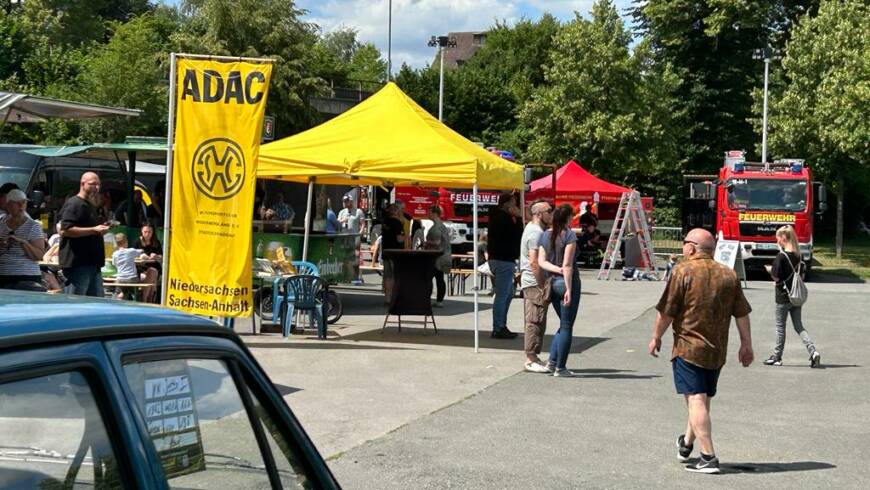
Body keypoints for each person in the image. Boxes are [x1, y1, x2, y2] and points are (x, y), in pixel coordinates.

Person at [649, 228, 754, 474]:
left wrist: (656, 336)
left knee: (695, 399)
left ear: (692, 247)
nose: (683, 247)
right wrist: (746, 343)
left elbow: (667, 311)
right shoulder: (728, 274)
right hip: (717, 351)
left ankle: (707, 456)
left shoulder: (683, 271)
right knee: (701, 399)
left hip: (688, 348)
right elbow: (742, 313)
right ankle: (686, 444)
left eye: (685, 243)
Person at [763, 225, 821, 367]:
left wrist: (770, 270)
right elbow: (801, 274)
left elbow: (776, 277)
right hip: (796, 296)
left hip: (783, 296)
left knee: (780, 327)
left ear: (783, 238)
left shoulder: (781, 256)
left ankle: (777, 357)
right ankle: (813, 351)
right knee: (799, 326)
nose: (776, 241)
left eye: (777, 238)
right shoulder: (798, 255)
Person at [537, 204, 580, 377]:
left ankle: (552, 362)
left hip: (551, 282)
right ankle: (560, 368)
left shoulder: (545, 235)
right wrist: (568, 287)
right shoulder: (569, 235)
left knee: (563, 324)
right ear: (568, 218)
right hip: (566, 282)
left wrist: (555, 269)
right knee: (567, 325)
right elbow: (568, 265)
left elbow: (541, 261)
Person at [58, 172, 111, 297]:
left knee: (96, 304)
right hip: (79, 264)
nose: (96, 188)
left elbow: (89, 227)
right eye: (93, 184)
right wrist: (94, 230)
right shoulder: (75, 203)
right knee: (76, 303)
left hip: (93, 263)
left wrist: (103, 226)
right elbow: (65, 230)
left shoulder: (89, 205)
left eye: (98, 184)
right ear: (82, 184)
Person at [521, 200, 552, 373]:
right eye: (549, 210)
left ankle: (534, 356)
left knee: (538, 318)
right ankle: (530, 358)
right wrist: (542, 283)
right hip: (533, 282)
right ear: (539, 214)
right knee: (534, 319)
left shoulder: (533, 229)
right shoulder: (535, 233)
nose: (551, 214)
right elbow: (534, 261)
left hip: (532, 281)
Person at [487, 192, 523, 339]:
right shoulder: (503, 218)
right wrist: (519, 217)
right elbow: (517, 234)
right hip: (503, 260)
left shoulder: (496, 217)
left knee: (507, 293)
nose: (515, 206)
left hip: (501, 259)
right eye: (514, 203)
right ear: (507, 204)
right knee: (503, 295)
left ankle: (501, 325)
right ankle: (499, 327)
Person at [0, 189, 46, 291]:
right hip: (3, 275)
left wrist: (23, 242)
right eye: (16, 202)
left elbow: (39, 256)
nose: (21, 205)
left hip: (27, 276)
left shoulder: (33, 226)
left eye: (24, 202)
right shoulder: (1, 224)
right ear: (8, 205)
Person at [111, 233, 158, 302]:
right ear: (126, 242)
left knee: (121, 289)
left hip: (120, 279)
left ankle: (121, 295)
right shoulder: (130, 251)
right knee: (137, 287)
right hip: (131, 278)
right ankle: (138, 298)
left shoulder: (115, 254)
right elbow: (142, 251)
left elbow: (114, 264)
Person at [425, 205, 451, 307]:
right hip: (442, 256)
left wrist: (426, 243)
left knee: (429, 278)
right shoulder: (441, 225)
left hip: (437, 257)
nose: (428, 214)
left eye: (429, 212)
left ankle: (431, 299)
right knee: (439, 278)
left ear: (434, 213)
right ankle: (439, 300)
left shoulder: (437, 227)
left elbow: (437, 242)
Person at [380, 204, 406, 302]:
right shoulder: (397, 223)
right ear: (396, 211)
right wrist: (404, 237)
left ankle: (387, 297)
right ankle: (394, 297)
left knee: (387, 276)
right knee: (395, 275)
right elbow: (399, 239)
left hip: (386, 251)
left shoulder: (385, 222)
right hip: (396, 253)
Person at [339, 195, 366, 283]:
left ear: (351, 202)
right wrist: (342, 220)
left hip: (355, 237)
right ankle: (345, 276)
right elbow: (337, 222)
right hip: (344, 237)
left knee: (355, 257)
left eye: (346, 201)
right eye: (343, 201)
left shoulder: (358, 211)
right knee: (344, 256)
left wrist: (360, 233)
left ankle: (356, 277)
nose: (344, 203)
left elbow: (362, 224)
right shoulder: (342, 212)